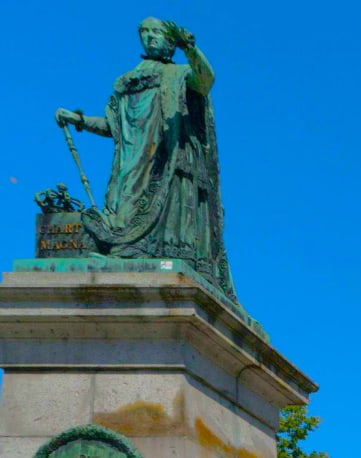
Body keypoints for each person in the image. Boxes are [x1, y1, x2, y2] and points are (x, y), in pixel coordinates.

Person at [54, 18, 235, 302]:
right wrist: (79, 120)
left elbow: (205, 80)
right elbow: (114, 128)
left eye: (156, 32)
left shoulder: (178, 74)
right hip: (129, 166)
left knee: (156, 213)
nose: (149, 37)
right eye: (145, 32)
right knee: (119, 212)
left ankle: (145, 252)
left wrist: (191, 49)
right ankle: (120, 251)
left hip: (166, 162)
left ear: (170, 41)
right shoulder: (128, 83)